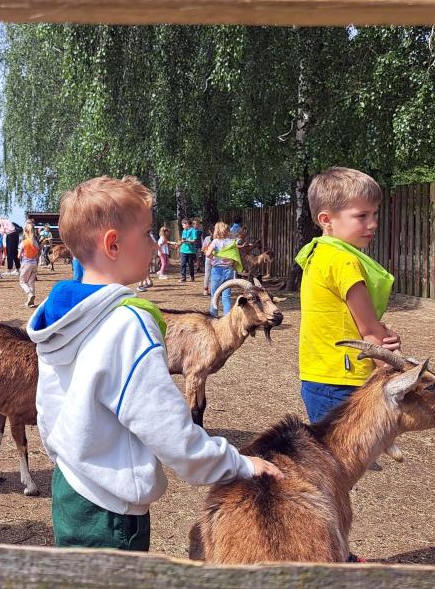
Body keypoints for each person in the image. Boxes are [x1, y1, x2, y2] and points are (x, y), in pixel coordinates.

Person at [26, 175, 282, 552]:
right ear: (113, 244)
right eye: (147, 233)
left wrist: (67, 457)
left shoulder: (59, 316)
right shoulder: (128, 324)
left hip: (69, 488)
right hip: (112, 511)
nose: (153, 244)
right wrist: (240, 465)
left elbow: (47, 404)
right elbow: (168, 430)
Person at [295, 167, 399, 424]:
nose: (373, 223)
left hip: (318, 376)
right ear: (326, 219)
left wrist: (382, 335)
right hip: (346, 380)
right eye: (362, 215)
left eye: (375, 213)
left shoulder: (315, 253)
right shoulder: (344, 261)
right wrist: (395, 374)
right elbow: (369, 330)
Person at [206, 221, 239, 316]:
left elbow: (208, 254)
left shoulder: (215, 241)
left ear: (216, 231)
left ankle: (213, 315)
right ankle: (227, 316)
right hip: (229, 270)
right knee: (226, 296)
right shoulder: (232, 243)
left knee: (215, 294)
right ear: (227, 231)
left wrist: (213, 258)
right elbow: (235, 257)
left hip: (217, 270)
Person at [18, 222, 40, 307]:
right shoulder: (35, 242)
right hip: (34, 264)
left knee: (22, 281)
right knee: (31, 282)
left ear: (25, 232)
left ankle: (29, 294)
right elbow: (37, 255)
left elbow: (19, 256)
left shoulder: (24, 242)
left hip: (26, 263)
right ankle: (31, 302)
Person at [178, 218, 198, 282]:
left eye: (183, 225)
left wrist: (187, 241)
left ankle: (192, 276)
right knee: (183, 264)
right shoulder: (184, 230)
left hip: (190, 251)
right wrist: (180, 243)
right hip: (183, 250)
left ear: (187, 224)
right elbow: (183, 239)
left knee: (190, 264)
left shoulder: (193, 231)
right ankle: (183, 277)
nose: (182, 226)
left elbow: (194, 241)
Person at [201, 229, 213, 296]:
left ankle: (206, 290)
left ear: (209, 231)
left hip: (208, 258)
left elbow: (203, 249)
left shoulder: (207, 238)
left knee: (207, 274)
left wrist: (207, 253)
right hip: (217, 259)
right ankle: (212, 289)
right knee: (214, 275)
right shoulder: (220, 239)